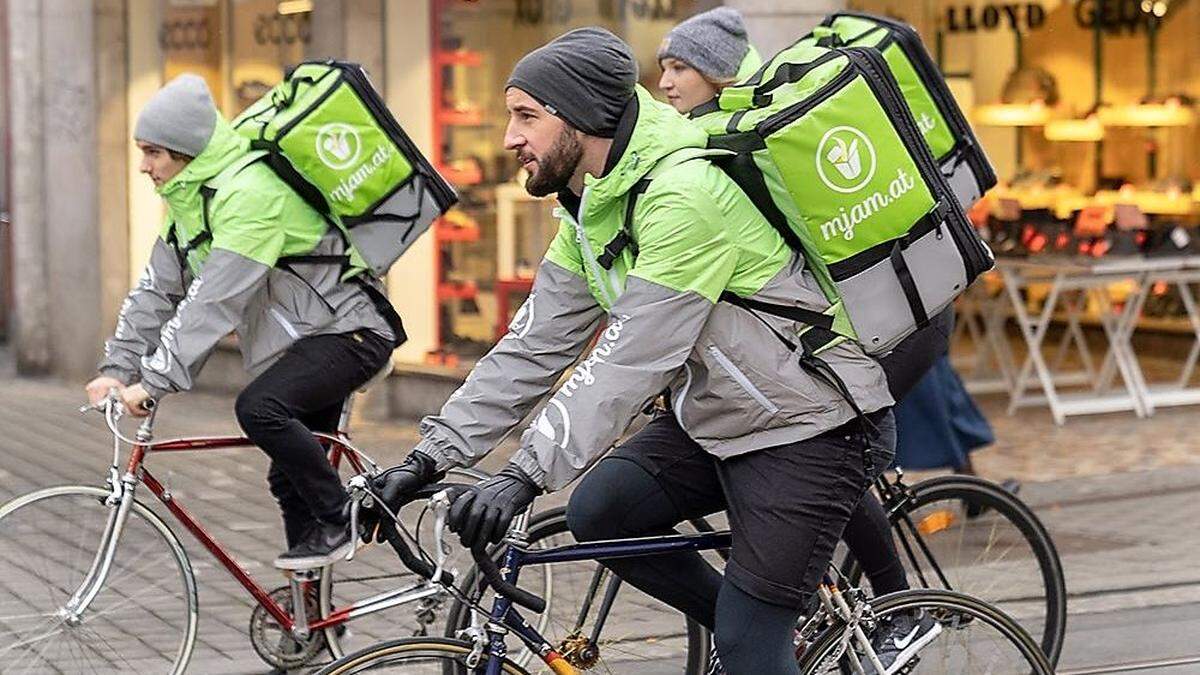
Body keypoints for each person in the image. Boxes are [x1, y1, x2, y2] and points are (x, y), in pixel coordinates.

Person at [370, 27, 900, 674]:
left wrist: (524, 473)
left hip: (809, 426)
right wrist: (427, 457)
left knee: (749, 639)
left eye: (527, 116)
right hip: (723, 417)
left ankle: (754, 643)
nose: (510, 137)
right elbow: (530, 348)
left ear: (585, 120)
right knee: (603, 512)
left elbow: (628, 360)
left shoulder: (684, 196)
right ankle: (758, 641)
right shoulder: (592, 207)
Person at [656, 9, 946, 672]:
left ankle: (899, 608)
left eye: (680, 67)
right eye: (664, 67)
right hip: (847, 322)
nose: (666, 82)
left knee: (824, 444)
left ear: (721, 72)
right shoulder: (719, 136)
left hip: (897, 320)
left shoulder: (760, 135)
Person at [86, 74, 401, 571]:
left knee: (260, 408)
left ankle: (347, 516)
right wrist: (117, 368)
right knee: (286, 478)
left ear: (185, 151)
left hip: (352, 334)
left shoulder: (252, 194)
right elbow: (155, 292)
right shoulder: (191, 204)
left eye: (152, 153)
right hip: (308, 345)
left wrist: (153, 383)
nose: (143, 166)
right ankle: (313, 630)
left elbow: (214, 303)